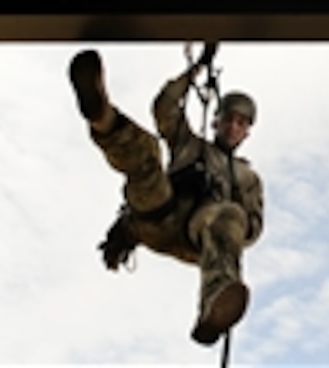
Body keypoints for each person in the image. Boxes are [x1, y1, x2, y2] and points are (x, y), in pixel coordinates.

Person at [68, 47, 264, 346]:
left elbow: (253, 227)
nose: (233, 126)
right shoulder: (190, 145)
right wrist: (197, 68)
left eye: (241, 123)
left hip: (198, 237)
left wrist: (221, 205)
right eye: (229, 118)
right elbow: (165, 107)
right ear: (216, 120)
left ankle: (215, 307)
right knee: (147, 155)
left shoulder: (246, 177)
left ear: (247, 132)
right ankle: (101, 116)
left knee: (227, 216)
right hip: (160, 214)